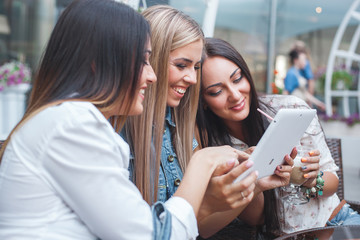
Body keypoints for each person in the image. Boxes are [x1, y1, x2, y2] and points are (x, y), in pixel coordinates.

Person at [0, 1, 249, 239]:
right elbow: (153, 234)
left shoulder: (68, 120)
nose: (151, 75)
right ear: (99, 63)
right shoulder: (73, 125)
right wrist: (202, 163)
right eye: (143, 60)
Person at [122, 5, 293, 239]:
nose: (192, 79)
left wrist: (255, 182)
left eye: (196, 67)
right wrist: (204, 162)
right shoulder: (116, 128)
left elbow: (198, 228)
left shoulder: (180, 123)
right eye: (181, 65)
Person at [197, 37, 360, 235]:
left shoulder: (291, 108)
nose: (235, 95)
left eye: (237, 79)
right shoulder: (214, 149)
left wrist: (309, 179)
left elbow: (332, 183)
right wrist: (253, 177)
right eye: (217, 91)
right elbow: (256, 219)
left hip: (335, 223)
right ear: (203, 101)